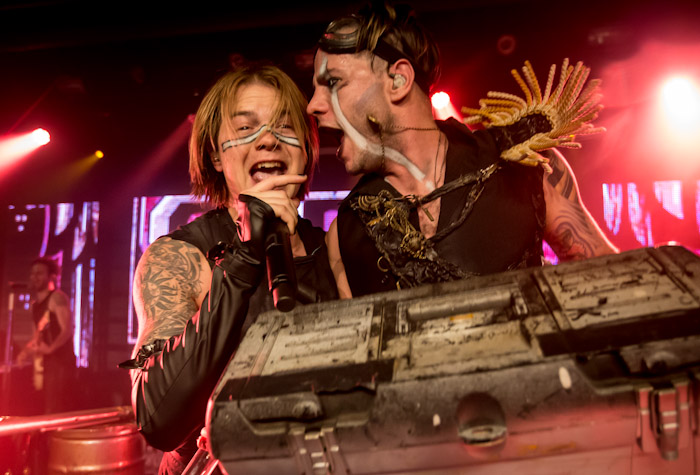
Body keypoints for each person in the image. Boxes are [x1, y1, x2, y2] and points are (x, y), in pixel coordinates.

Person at [307, 2, 618, 298]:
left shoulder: (524, 161)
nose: (313, 106)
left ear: (398, 80)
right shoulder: (347, 230)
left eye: (333, 82)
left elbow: (615, 284)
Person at [126, 63, 338, 473]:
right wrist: (244, 258)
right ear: (215, 156)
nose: (269, 140)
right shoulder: (179, 257)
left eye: (285, 126)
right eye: (246, 129)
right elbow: (157, 418)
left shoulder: (335, 250)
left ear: (307, 149)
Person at [17, 257, 76, 414]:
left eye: (39, 273)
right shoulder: (36, 305)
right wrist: (25, 352)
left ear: (51, 276)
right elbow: (37, 336)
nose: (34, 277)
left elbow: (67, 330)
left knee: (56, 409)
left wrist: (50, 349)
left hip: (61, 362)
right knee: (46, 406)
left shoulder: (57, 298)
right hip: (48, 364)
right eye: (33, 273)